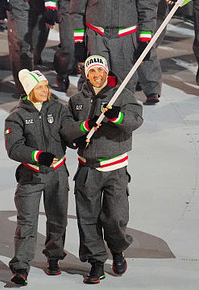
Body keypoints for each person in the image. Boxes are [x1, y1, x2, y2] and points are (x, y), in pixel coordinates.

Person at [60, 55, 143, 283]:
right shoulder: (77, 100)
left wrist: (117, 117)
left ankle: (117, 250)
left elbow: (136, 119)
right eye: (92, 72)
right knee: (88, 218)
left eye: (101, 71)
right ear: (87, 75)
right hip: (88, 170)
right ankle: (96, 262)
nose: (97, 76)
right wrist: (79, 132)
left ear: (107, 73)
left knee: (115, 217)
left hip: (115, 169)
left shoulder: (122, 96)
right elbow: (66, 128)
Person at [5, 69, 73, 285]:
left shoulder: (58, 109)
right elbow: (14, 148)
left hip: (58, 174)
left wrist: (84, 130)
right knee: (26, 223)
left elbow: (69, 131)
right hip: (31, 176)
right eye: (39, 88)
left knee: (58, 219)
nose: (45, 91)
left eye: (46, 86)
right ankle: (21, 268)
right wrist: (38, 156)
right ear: (29, 90)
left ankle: (54, 257)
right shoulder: (16, 117)